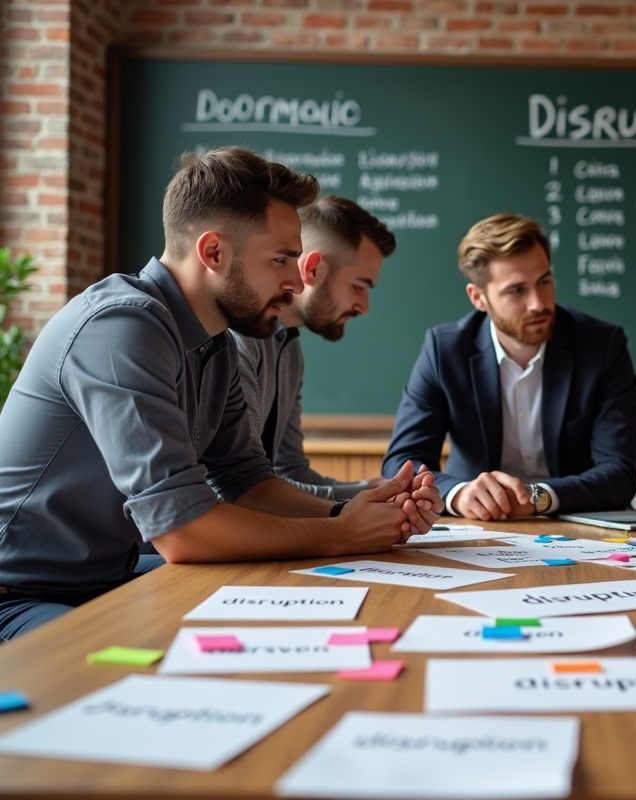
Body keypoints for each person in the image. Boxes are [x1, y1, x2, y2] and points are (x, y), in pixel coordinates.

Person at [0, 147, 443, 641]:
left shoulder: (216, 341)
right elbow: (182, 531)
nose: (297, 281)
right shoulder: (122, 327)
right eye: (281, 258)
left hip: (105, 581)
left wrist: (353, 511)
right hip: (21, 595)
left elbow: (248, 482)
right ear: (213, 253)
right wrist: (343, 534)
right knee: (129, 676)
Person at [383, 212, 636, 520]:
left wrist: (538, 498)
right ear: (478, 297)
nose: (538, 303)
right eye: (517, 290)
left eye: (544, 281)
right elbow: (402, 463)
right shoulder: (445, 350)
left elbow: (620, 473)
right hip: (478, 528)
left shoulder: (601, 345)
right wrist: (459, 493)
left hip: (577, 523)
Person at [232, 195, 396, 499]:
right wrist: (361, 495)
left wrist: (369, 490)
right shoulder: (241, 339)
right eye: (358, 287)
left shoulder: (289, 348)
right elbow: (243, 488)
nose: (364, 307)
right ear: (313, 269)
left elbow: (291, 470)